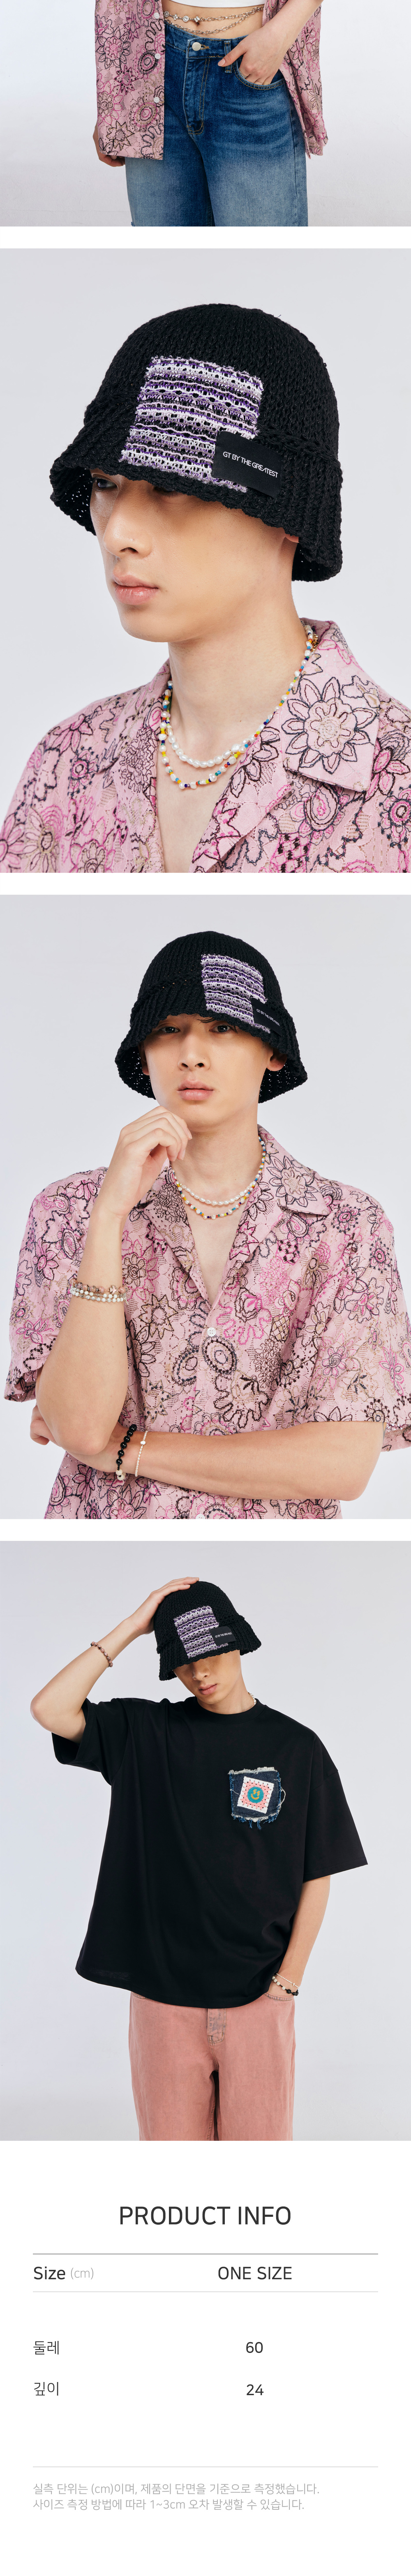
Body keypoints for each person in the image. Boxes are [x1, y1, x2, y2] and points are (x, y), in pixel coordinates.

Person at [5, 927, 411, 1520]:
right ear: (144, 1053)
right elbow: (81, 1426)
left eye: (222, 1028)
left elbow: (342, 1465)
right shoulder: (67, 1211)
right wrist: (109, 1216)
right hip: (106, 1542)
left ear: (272, 1050)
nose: (191, 1054)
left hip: (280, 1554)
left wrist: (126, 1448)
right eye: (169, 1030)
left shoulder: (347, 1226)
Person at [2, 303, 410, 877]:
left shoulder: (396, 783)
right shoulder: (66, 764)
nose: (117, 534)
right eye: (105, 484)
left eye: (171, 487)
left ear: (286, 513)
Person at [30, 1577, 367, 2142]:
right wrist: (134, 1626)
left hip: (260, 1997)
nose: (199, 1673)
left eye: (209, 1655)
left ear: (237, 1643)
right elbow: (50, 1708)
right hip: (163, 2002)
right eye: (183, 1663)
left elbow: (319, 1871)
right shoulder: (147, 1732)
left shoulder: (297, 1747)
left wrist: (288, 1982)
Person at [93, 0, 326, 229]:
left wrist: (279, 34)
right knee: (162, 253)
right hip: (150, 66)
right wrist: (113, 104)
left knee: (260, 253)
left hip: (251, 67)